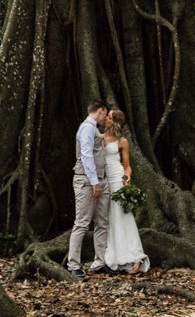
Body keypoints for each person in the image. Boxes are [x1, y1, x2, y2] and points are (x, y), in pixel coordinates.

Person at [102, 108, 149, 274]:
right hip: (104, 181)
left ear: (114, 121)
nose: (105, 119)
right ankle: (113, 255)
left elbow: (127, 166)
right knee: (109, 218)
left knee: (122, 216)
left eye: (108, 117)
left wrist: (127, 178)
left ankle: (135, 256)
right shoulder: (100, 138)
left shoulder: (122, 141)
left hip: (117, 179)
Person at [67, 99, 111, 278]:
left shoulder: (95, 129)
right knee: (82, 222)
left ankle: (100, 262)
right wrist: (94, 183)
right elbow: (86, 155)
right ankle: (73, 264)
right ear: (100, 110)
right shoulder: (87, 127)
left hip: (100, 180)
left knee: (102, 222)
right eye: (106, 114)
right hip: (87, 181)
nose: (106, 118)